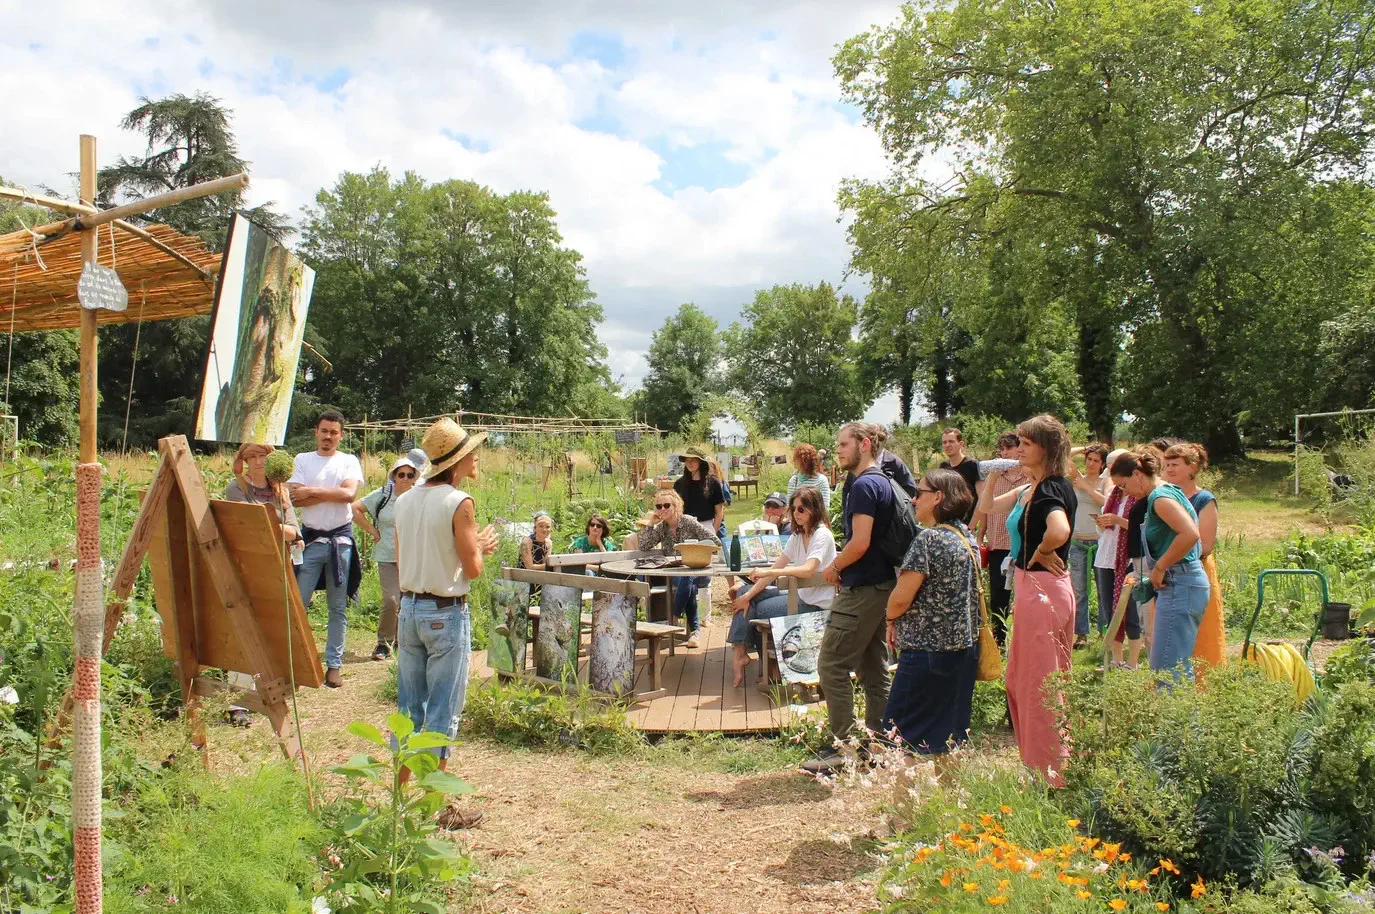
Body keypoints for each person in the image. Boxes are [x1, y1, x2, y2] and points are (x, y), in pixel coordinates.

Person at [392, 417, 499, 813]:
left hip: (409, 608)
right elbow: (471, 569)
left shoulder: (404, 500)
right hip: (445, 612)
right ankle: (435, 805)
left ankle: (399, 799)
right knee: (443, 708)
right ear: (457, 461)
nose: (477, 458)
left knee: (408, 708)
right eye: (472, 452)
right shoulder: (460, 502)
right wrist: (481, 548)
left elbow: (405, 560)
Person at [985, 414, 1076, 787]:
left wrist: (1040, 550)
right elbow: (988, 507)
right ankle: (1043, 764)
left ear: (1047, 449)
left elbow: (1060, 529)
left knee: (1039, 682)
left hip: (1042, 590)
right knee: (1024, 678)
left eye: (1026, 444)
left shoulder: (1051, 488)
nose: (1018, 450)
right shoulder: (1035, 487)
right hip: (1035, 588)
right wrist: (994, 471)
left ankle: (1050, 773)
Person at [804, 422, 897, 774]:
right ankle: (879, 743)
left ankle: (841, 749)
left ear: (865, 444)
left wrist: (835, 567)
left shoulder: (863, 485)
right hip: (882, 586)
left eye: (844, 444)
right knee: (874, 670)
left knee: (831, 665)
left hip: (862, 588)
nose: (838, 450)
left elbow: (860, 543)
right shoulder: (882, 480)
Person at [883, 469, 980, 767]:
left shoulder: (929, 540)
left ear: (938, 497)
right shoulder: (966, 536)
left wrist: (889, 619)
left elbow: (901, 597)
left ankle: (905, 811)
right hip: (962, 650)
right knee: (948, 737)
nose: (913, 500)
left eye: (919, 493)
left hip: (926, 653)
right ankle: (950, 809)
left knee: (899, 737)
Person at [1109, 447, 1209, 679]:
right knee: (1175, 666)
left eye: (1124, 486)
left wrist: (1161, 567)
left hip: (1180, 583)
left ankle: (1172, 715)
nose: (1127, 493)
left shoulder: (1160, 498)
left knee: (1167, 668)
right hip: (1185, 583)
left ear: (1137, 474)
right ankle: (1182, 715)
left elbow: (1190, 534)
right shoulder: (1167, 491)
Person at [224, 442, 302, 725]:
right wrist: (281, 529)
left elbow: (294, 530)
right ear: (243, 461)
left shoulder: (280, 490)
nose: (257, 462)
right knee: (243, 627)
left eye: (262, 456)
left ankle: (271, 689)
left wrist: (281, 529)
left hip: (279, 567)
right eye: (251, 457)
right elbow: (247, 527)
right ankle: (237, 700)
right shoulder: (237, 489)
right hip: (248, 567)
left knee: (274, 626)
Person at [726, 486, 836, 687]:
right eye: (794, 509)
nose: (796, 513)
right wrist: (747, 595)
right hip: (800, 596)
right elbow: (779, 564)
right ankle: (740, 651)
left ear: (815, 508)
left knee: (761, 609)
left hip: (816, 603)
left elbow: (808, 570)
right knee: (743, 593)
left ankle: (772, 666)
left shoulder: (822, 534)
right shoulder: (798, 535)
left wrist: (768, 572)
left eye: (801, 509)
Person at [288, 410, 364, 689]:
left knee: (337, 608)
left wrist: (313, 492)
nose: (328, 437)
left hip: (340, 543)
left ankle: (334, 666)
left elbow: (349, 495)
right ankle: (299, 663)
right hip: (309, 542)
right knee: (298, 604)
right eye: (324, 431)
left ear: (341, 435)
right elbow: (296, 498)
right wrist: (326, 493)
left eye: (334, 432)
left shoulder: (348, 461)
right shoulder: (302, 460)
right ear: (316, 433)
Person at [1163, 443, 1226, 670]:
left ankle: (1204, 687)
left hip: (1195, 570)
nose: (1169, 469)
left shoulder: (1204, 500)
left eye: (1175, 465)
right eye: (1167, 464)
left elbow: (1206, 544)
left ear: (1192, 468)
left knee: (1201, 633)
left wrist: (1173, 556)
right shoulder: (1166, 497)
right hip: (1166, 571)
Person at [352, 455, 422, 661]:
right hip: (387, 555)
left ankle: (403, 641)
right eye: (401, 474)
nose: (406, 478)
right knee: (391, 600)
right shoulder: (383, 494)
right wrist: (372, 531)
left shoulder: (419, 496)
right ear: (394, 476)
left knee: (408, 600)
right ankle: (383, 643)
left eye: (410, 475)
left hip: (412, 556)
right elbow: (355, 508)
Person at [635, 488, 720, 647]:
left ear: (676, 506)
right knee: (687, 583)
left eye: (666, 505)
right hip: (673, 572)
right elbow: (644, 545)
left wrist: (698, 553)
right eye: (658, 506)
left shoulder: (688, 521)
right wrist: (651, 524)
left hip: (695, 569)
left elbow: (714, 541)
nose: (662, 509)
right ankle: (694, 632)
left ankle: (674, 617)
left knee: (688, 579)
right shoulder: (661, 528)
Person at [972, 432, 1026, 646]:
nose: (1005, 454)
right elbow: (985, 508)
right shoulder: (994, 478)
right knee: (998, 597)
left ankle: (1021, 639)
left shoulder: (1027, 476)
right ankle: (999, 639)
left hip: (1021, 545)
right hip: (997, 544)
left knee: (1021, 595)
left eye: (1009, 449)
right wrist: (980, 534)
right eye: (1002, 450)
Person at [1098, 452, 1145, 669]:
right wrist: (1105, 521)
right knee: (1110, 609)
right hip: (1107, 555)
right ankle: (1116, 659)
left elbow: (1140, 528)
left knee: (1131, 611)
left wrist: (1117, 520)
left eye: (1122, 483)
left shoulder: (1141, 497)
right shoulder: (1116, 495)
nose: (1121, 487)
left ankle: (1133, 661)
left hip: (1127, 557)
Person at [676, 447, 725, 628]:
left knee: (705, 576)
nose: (690, 463)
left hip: (706, 526)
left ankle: (706, 616)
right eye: (687, 460)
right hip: (686, 528)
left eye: (694, 460)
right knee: (686, 574)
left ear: (701, 463)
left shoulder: (713, 483)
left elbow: (720, 512)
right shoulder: (680, 484)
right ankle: (686, 616)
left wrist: (712, 531)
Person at [1068, 444, 1109, 649]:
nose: (1091, 464)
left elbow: (1106, 503)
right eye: (1089, 459)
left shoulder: (1106, 481)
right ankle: (1081, 634)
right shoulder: (1076, 478)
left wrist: (1087, 488)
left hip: (1099, 541)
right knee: (1079, 590)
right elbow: (1065, 455)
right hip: (1078, 542)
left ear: (1103, 464)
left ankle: (1103, 632)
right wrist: (1085, 448)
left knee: (1103, 589)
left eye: (1096, 460)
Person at [938, 428, 981, 519]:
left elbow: (982, 497)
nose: (947, 445)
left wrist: (973, 524)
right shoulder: (943, 467)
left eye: (951, 441)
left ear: (961, 444)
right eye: (944, 442)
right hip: (949, 521)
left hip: (969, 523)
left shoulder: (973, 465)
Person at [787, 443, 832, 507]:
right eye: (800, 461)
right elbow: (789, 506)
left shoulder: (821, 480)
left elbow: (825, 507)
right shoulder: (794, 480)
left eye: (806, 460)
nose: (804, 464)